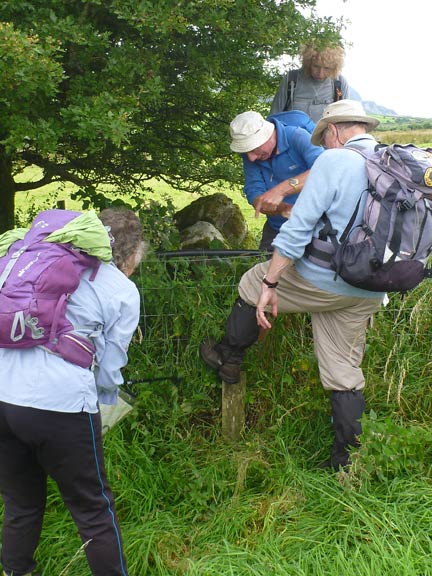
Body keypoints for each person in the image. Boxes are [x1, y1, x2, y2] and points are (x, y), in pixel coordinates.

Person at [201, 100, 384, 470]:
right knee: (343, 370)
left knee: (252, 280)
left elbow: (298, 228)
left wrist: (271, 280)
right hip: (371, 285)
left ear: (333, 131)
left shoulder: (332, 160)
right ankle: (347, 465)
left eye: (326, 138)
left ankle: (229, 357)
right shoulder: (389, 160)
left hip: (329, 278)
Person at [0, 207, 147, 576]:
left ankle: (17, 572)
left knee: (20, 501)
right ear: (131, 254)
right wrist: (105, 404)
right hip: (60, 405)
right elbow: (111, 367)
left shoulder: (40, 267)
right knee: (94, 509)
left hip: (4, 395)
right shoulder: (121, 289)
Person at [230, 110, 323, 250]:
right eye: (246, 152)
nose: (251, 158)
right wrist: (272, 206)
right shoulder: (251, 155)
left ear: (267, 136)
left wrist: (281, 190)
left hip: (316, 226)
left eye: (254, 149)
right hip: (277, 228)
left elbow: (325, 169)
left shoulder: (298, 137)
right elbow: (253, 188)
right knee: (263, 269)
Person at [269, 44, 349, 122]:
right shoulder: (291, 80)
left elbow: (345, 122)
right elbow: (273, 118)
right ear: (308, 63)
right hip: (292, 134)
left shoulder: (339, 84)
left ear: (334, 67)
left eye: (326, 68)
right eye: (316, 66)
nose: (320, 74)